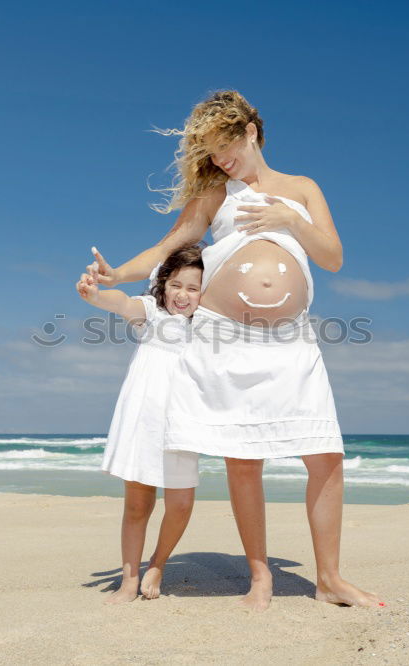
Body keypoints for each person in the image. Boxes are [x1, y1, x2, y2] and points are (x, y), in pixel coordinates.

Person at [86, 90, 384, 611]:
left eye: (225, 146)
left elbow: (333, 258)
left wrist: (290, 221)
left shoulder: (301, 188)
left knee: (326, 456)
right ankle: (260, 577)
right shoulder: (214, 194)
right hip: (226, 336)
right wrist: (117, 274)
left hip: (292, 340)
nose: (221, 160)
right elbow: (167, 246)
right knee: (244, 460)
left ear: (250, 131)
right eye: (211, 152)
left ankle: (331, 578)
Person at [76, 243, 204, 602]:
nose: (182, 294)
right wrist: (96, 296)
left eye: (193, 288)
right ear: (162, 283)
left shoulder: (208, 325)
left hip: (184, 420)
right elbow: (121, 302)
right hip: (144, 417)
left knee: (179, 504)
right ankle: (129, 579)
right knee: (137, 503)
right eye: (176, 284)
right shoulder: (150, 312)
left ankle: (158, 564)